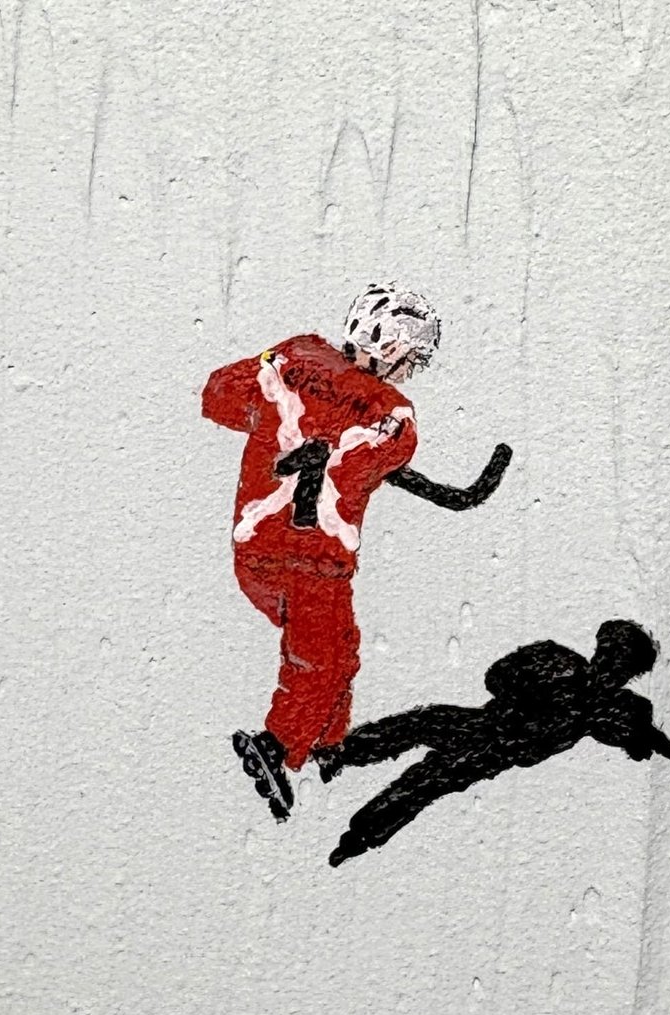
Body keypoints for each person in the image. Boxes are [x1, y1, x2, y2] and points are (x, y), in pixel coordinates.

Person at [202, 285, 511, 820]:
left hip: (254, 552)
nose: (411, 371)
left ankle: (328, 741)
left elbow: (218, 396)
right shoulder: (394, 414)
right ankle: (277, 746)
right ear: (390, 347)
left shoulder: (294, 355)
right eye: (412, 358)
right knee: (320, 660)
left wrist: (281, 411)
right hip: (316, 560)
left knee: (340, 646)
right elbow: (371, 455)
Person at [314, 620, 670, 865]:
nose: (612, 667)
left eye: (623, 665)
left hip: (497, 754)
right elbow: (496, 676)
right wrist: (527, 694)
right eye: (610, 654)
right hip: (484, 725)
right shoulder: (559, 662)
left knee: (426, 780)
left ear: (630, 673)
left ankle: (358, 837)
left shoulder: (619, 711)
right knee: (421, 725)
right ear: (600, 650)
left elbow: (660, 746)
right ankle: (341, 753)